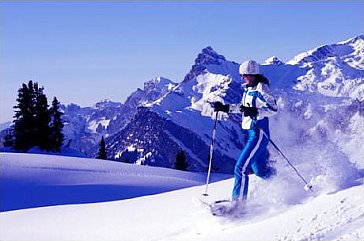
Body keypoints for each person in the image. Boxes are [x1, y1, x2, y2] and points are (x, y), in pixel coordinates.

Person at [213, 60, 278, 209]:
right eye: (242, 76)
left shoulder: (261, 88)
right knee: (260, 171)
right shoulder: (248, 89)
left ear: (252, 75)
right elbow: (244, 108)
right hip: (251, 133)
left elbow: (273, 109)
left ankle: (238, 205)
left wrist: (257, 112)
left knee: (240, 169)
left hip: (258, 133)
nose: (242, 78)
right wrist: (225, 108)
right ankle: (285, 182)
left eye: (244, 75)